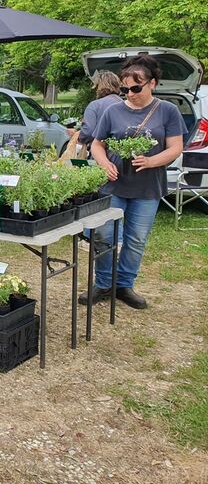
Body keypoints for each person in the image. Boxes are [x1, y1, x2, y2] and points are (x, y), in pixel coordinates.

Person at [79, 55, 187, 309]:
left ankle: (124, 285)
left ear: (153, 83)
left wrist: (151, 161)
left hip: (147, 188)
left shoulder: (167, 111)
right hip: (114, 185)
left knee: (136, 238)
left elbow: (175, 148)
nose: (130, 93)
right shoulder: (112, 110)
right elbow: (97, 144)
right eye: (125, 89)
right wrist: (104, 163)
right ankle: (104, 283)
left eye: (136, 88)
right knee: (103, 235)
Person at [79, 71, 124, 148]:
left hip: (100, 152)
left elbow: (88, 132)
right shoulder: (125, 104)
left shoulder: (94, 105)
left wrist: (78, 136)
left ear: (98, 87)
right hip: (122, 152)